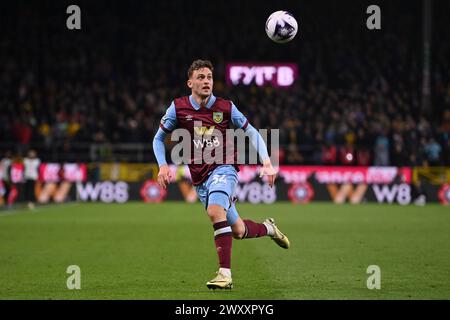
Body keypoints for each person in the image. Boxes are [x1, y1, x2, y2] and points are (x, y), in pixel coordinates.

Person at [152, 60, 290, 290]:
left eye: (209, 77)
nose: (206, 81)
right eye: (201, 77)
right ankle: (268, 228)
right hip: (200, 179)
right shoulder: (178, 108)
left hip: (224, 168)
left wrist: (266, 160)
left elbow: (251, 131)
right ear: (190, 82)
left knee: (215, 211)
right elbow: (158, 138)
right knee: (237, 231)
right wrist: (162, 165)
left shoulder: (226, 107)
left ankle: (224, 275)